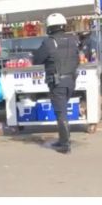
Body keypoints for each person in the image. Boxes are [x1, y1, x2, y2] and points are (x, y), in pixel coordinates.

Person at [33, 13, 79, 154]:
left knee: (61, 113)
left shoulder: (49, 42)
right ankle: (64, 139)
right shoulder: (73, 39)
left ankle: (64, 144)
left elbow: (37, 59)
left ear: (50, 27)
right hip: (71, 81)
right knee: (63, 111)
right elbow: (77, 59)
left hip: (57, 82)